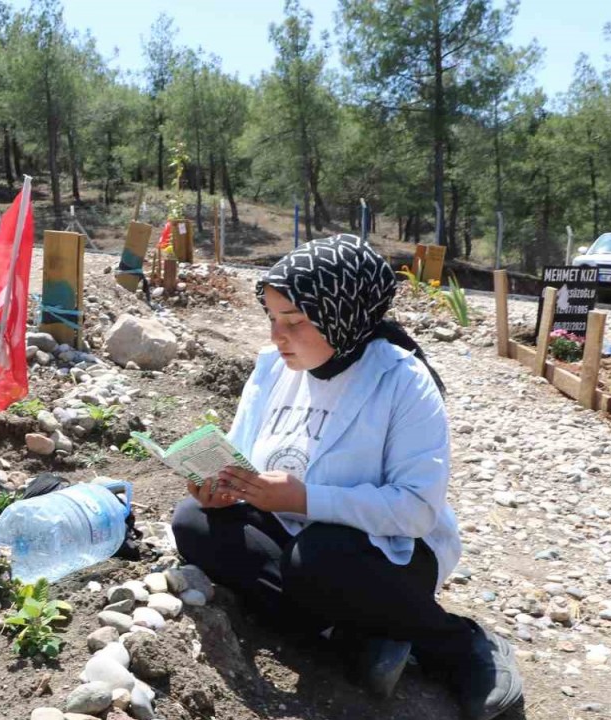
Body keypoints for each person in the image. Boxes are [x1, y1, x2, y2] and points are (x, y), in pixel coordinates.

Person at [171, 235, 523, 720]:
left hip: (380, 553)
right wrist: (221, 490)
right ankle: (354, 636)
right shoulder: (272, 368)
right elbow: (243, 456)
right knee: (194, 522)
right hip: (293, 535)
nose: (278, 336)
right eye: (272, 318)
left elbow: (416, 509)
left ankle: (461, 646)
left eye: (294, 322)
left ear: (344, 312)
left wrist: (305, 499)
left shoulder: (402, 380)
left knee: (319, 558)